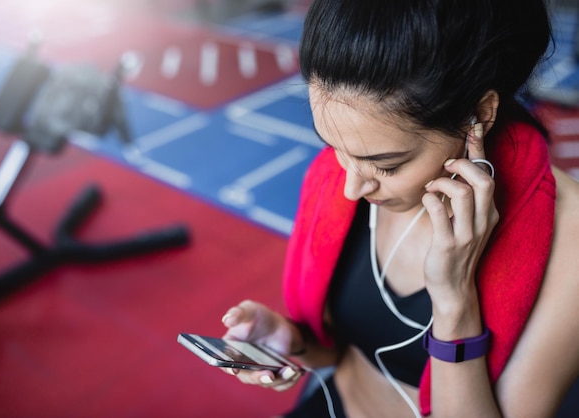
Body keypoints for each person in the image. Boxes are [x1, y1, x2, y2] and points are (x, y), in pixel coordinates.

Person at [221, 0, 579, 416]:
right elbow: (340, 354)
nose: (352, 187)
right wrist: (291, 340)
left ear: (478, 115)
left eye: (386, 165)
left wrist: (454, 301)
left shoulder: (567, 237)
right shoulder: (343, 174)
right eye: (333, 147)